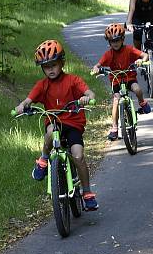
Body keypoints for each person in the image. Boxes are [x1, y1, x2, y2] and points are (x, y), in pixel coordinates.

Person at [14, 40, 99, 210]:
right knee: (51, 131)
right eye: (46, 67)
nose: (50, 69)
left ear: (62, 63)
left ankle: (87, 192)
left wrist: (86, 97)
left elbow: (89, 92)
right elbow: (29, 99)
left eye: (54, 65)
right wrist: (22, 106)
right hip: (54, 123)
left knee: (78, 156)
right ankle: (44, 160)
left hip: (73, 124)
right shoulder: (42, 85)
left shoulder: (73, 80)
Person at [90, 23, 151, 141]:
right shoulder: (108, 54)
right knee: (116, 100)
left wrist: (141, 60)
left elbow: (144, 55)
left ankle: (142, 103)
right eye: (112, 41)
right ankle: (114, 128)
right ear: (109, 42)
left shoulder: (129, 49)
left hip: (129, 78)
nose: (115, 43)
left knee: (137, 89)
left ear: (122, 39)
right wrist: (96, 68)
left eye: (117, 40)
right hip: (116, 81)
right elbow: (98, 64)